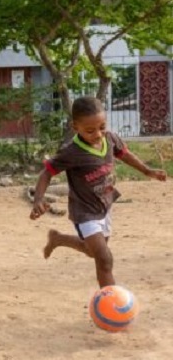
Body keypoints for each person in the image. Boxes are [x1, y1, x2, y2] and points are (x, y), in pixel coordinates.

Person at [30, 96, 166, 288]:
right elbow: (47, 172)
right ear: (75, 127)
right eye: (90, 130)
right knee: (104, 259)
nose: (98, 134)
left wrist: (146, 170)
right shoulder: (71, 152)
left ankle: (58, 239)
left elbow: (124, 154)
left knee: (91, 250)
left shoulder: (110, 138)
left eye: (102, 127)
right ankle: (111, 305)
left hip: (105, 204)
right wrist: (38, 199)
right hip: (84, 211)